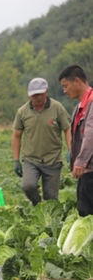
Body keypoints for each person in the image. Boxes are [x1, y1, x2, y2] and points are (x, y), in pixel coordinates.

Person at [11, 77, 71, 206]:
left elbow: (67, 129)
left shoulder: (57, 108)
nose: (38, 98)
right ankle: (38, 204)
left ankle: (48, 216)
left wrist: (71, 150)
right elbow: (16, 135)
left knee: (51, 199)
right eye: (34, 95)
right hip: (31, 159)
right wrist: (16, 160)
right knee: (28, 186)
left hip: (53, 160)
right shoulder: (22, 112)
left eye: (40, 94)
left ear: (46, 91)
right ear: (29, 95)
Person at [60, 65, 93, 216]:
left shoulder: (92, 103)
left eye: (66, 86)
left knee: (87, 211)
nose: (64, 91)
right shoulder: (79, 108)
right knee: (84, 210)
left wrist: (81, 161)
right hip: (86, 169)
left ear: (77, 81)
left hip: (89, 167)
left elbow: (91, 134)